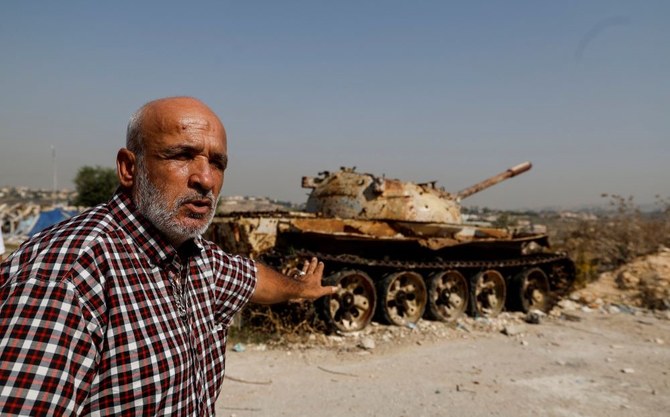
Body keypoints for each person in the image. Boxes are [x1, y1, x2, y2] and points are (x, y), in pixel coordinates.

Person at [0, 97, 336, 416]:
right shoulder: (70, 276)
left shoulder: (197, 258)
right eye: (182, 155)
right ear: (129, 168)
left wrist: (300, 289)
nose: (205, 179)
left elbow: (253, 280)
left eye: (217, 163)